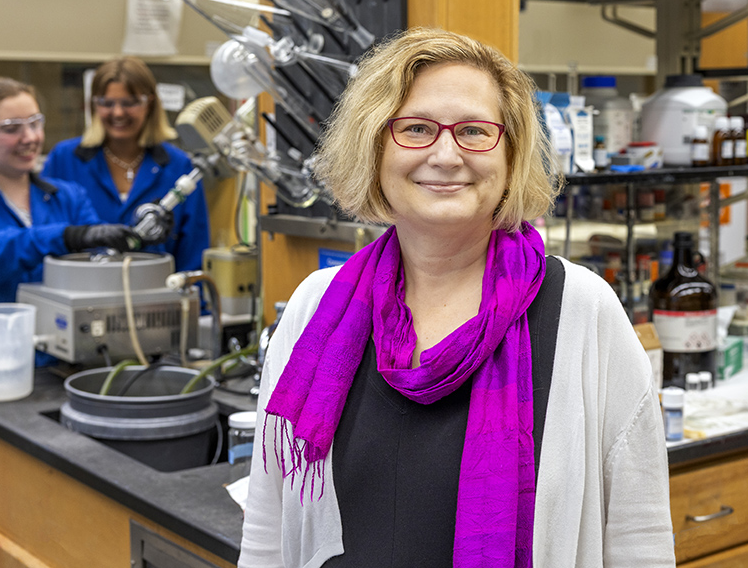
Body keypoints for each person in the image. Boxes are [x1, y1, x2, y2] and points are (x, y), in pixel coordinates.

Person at [238, 28, 675, 568]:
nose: (446, 156)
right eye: (416, 129)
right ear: (373, 147)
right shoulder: (316, 310)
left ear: (511, 155)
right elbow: (267, 526)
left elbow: (640, 537)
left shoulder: (583, 312)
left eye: (473, 131)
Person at [42, 56, 210, 272]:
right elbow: (45, 236)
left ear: (149, 103)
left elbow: (194, 253)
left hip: (154, 297)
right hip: (79, 291)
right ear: (93, 105)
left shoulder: (178, 167)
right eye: (107, 103)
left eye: (129, 103)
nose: (118, 113)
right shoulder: (64, 159)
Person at [0, 77, 142, 303]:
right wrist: (67, 237)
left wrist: (138, 236)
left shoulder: (68, 198)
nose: (30, 137)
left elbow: (103, 257)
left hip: (62, 332)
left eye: (35, 123)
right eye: (12, 129)